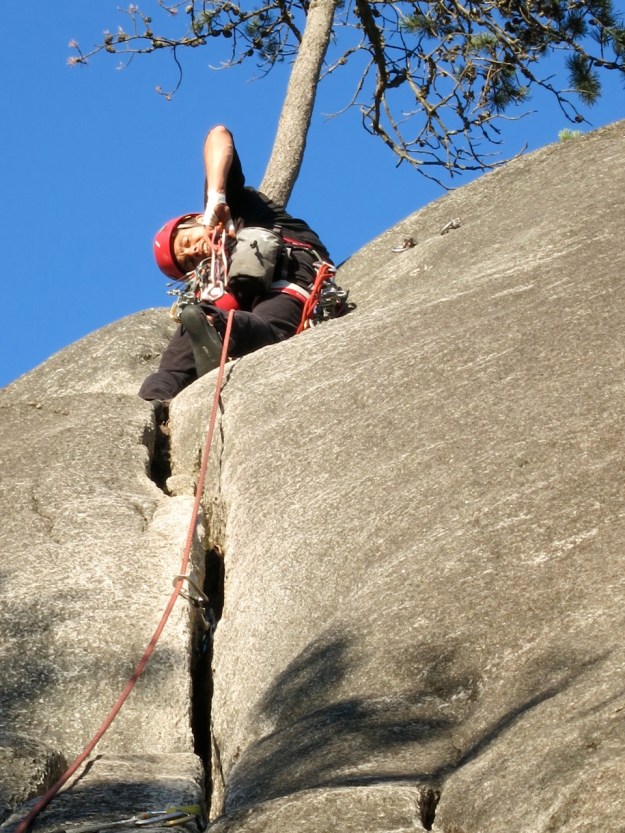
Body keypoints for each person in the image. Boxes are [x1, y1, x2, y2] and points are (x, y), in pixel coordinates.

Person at [139, 125, 332, 406]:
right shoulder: (209, 281)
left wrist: (216, 197)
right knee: (192, 325)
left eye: (187, 242)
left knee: (273, 327)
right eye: (189, 261)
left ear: (192, 221)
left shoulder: (232, 208)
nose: (194, 251)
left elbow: (218, 135)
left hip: (288, 264)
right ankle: (154, 400)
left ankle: (224, 327)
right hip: (230, 293)